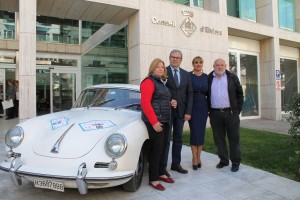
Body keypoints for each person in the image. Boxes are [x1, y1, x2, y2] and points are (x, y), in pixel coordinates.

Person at [140, 58, 177, 191]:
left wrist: (172, 102)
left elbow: (160, 100)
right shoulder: (148, 82)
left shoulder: (161, 83)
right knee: (156, 150)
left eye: (162, 67)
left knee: (162, 149)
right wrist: (154, 122)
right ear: (152, 68)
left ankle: (161, 173)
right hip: (155, 121)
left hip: (165, 120)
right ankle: (153, 179)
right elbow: (145, 104)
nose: (161, 69)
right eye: (158, 67)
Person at [207, 58, 244, 172]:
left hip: (231, 113)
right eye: (217, 65)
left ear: (225, 66)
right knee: (219, 139)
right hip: (215, 113)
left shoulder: (232, 77)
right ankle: (223, 160)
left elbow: (240, 94)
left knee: (234, 138)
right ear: (213, 66)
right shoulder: (208, 78)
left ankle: (235, 162)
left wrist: (237, 110)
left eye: (222, 65)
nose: (219, 67)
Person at [163, 49, 193, 175]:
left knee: (178, 139)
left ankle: (176, 164)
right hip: (166, 111)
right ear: (169, 58)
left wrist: (188, 111)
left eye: (178, 57)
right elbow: (160, 89)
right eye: (173, 57)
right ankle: (162, 166)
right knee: (165, 139)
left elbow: (189, 93)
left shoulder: (186, 74)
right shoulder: (163, 71)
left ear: (181, 60)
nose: (175, 59)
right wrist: (170, 99)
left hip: (181, 112)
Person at [188, 56, 208, 170]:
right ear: (193, 64)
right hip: (192, 106)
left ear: (202, 64)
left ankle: (199, 157)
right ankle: (194, 158)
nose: (198, 64)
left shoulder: (206, 77)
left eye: (200, 62)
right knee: (194, 132)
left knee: (201, 132)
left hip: (203, 107)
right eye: (196, 62)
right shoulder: (189, 76)